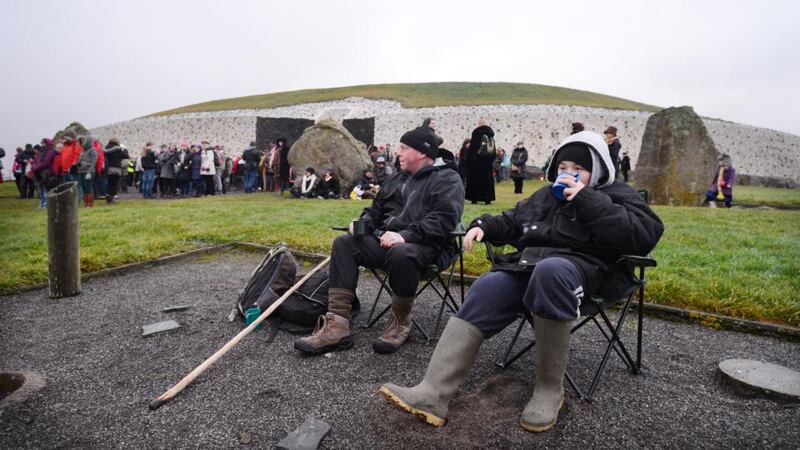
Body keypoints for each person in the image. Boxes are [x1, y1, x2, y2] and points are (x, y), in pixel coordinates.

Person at [379, 131, 664, 432]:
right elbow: (513, 220)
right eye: (563, 167)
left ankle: (549, 391)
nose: (568, 174)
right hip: (532, 268)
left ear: (599, 170)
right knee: (489, 285)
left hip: (588, 274)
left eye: (578, 169)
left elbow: (644, 235)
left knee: (551, 271)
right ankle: (432, 393)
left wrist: (586, 198)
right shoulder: (545, 196)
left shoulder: (616, 195)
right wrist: (484, 226)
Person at [294, 127, 465, 355]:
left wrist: (404, 236)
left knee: (401, 252)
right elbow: (375, 211)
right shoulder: (396, 179)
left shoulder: (448, 179)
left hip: (428, 246)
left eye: (404, 149)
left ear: (423, 153)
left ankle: (401, 322)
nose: (399, 154)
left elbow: (444, 220)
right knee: (344, 243)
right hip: (387, 243)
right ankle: (337, 326)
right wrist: (362, 222)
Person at [464, 118, 496, 204]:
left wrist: (468, 160)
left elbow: (473, 148)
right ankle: (488, 199)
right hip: (487, 161)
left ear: (479, 124)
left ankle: (474, 198)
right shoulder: (491, 134)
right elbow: (493, 148)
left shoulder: (476, 133)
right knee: (487, 180)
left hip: (477, 161)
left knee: (476, 180)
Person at [104, 138, 130, 204]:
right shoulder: (117, 149)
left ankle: (108, 197)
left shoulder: (107, 148)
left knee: (109, 183)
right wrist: (124, 148)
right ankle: (111, 199)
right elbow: (126, 156)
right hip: (116, 168)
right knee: (114, 184)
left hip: (108, 167)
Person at [76, 135, 98, 207]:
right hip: (81, 171)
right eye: (81, 142)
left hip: (89, 171)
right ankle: (86, 202)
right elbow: (80, 160)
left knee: (89, 187)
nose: (82, 143)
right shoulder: (83, 151)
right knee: (84, 188)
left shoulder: (92, 150)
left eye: (83, 141)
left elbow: (93, 162)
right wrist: (77, 163)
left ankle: (90, 203)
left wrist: (89, 172)